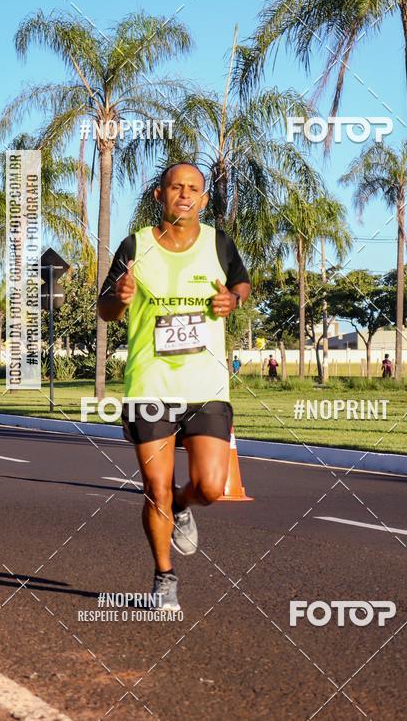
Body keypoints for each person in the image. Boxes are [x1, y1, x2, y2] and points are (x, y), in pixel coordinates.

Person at [97, 162, 250, 612]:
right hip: (150, 385)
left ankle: (184, 506)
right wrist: (119, 298)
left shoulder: (218, 243)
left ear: (203, 199)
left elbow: (241, 282)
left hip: (206, 386)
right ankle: (164, 576)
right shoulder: (135, 246)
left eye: (194, 189)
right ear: (159, 195)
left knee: (210, 487)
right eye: (176, 187)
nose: (185, 194)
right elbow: (105, 308)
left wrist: (233, 299)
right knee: (155, 487)